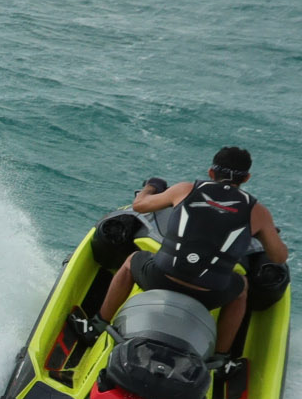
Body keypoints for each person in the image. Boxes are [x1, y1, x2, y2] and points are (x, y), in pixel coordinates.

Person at [96, 146, 287, 357]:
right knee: (241, 288)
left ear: (211, 172)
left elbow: (140, 205)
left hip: (160, 278)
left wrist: (151, 186)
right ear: (247, 178)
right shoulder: (258, 212)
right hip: (209, 295)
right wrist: (265, 232)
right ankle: (221, 356)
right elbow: (279, 257)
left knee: (132, 260)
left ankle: (99, 323)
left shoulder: (185, 189)